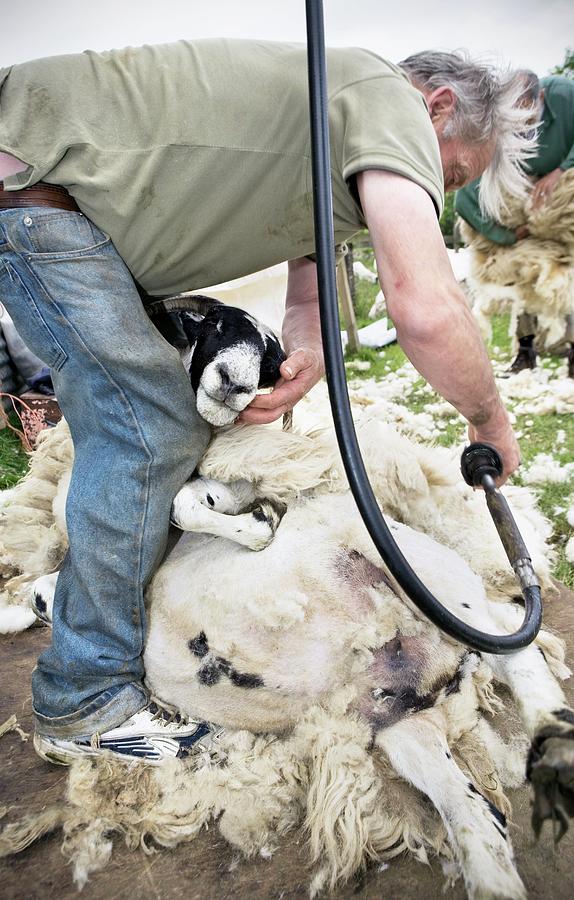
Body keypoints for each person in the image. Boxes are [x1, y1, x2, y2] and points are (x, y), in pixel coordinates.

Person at [0, 40, 530, 765]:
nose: (440, 190)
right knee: (144, 431)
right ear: (437, 108)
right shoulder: (387, 101)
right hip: (35, 194)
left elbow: (309, 279)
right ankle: (84, 697)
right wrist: (490, 422)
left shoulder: (334, 122)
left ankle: (121, 607)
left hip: (45, 193)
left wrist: (304, 355)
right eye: (455, 170)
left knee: (160, 425)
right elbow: (426, 309)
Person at [456, 70, 574, 375]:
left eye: (528, 116)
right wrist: (507, 234)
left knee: (566, 269)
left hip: (563, 196)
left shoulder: (564, 94)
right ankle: (525, 352)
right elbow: (465, 197)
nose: (521, 126)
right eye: (514, 118)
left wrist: (562, 170)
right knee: (524, 268)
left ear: (543, 98)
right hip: (519, 202)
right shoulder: (497, 128)